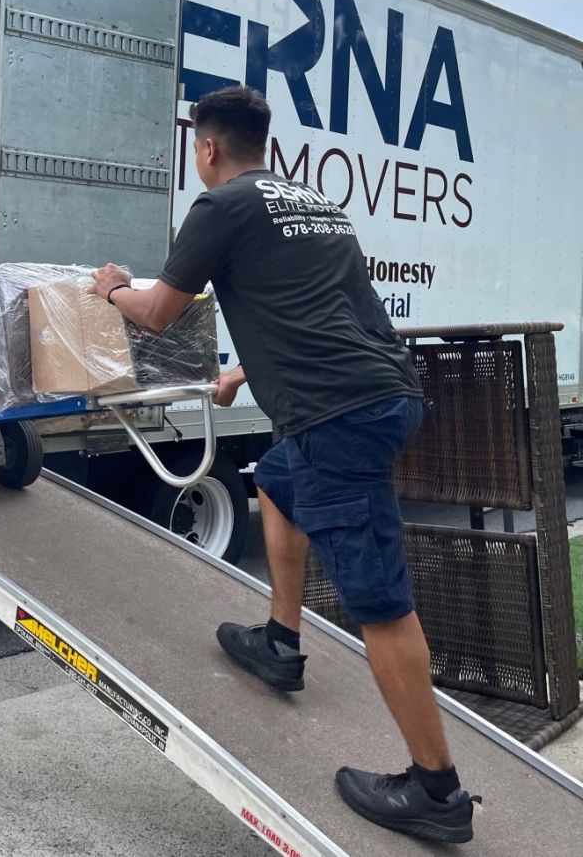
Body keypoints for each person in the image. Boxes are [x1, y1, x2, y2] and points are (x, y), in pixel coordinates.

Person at [88, 86, 480, 844]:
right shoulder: (312, 202)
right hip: (382, 392)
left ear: (206, 148)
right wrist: (241, 372)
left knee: (380, 601)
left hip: (340, 415)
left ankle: (438, 791)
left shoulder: (221, 205)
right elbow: (321, 307)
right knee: (274, 482)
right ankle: (279, 642)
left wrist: (112, 289)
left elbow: (161, 309)